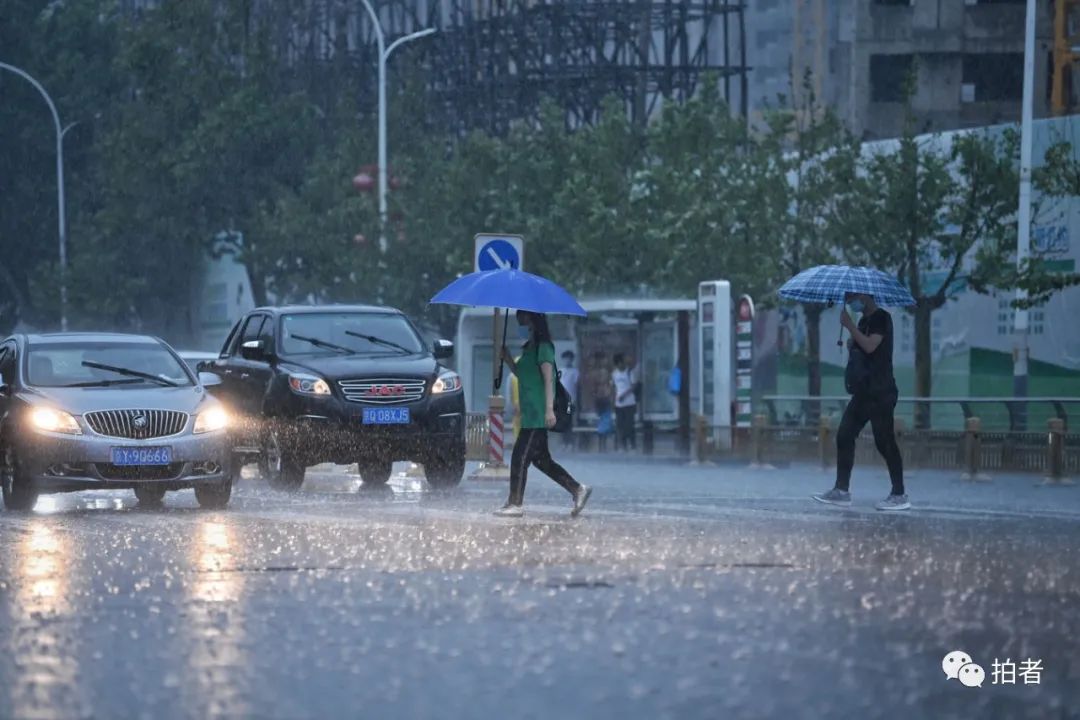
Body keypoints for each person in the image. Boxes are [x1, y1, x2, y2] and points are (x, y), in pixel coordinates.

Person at [813, 292, 909, 511]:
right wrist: (851, 343)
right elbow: (863, 349)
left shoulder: (881, 318)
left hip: (881, 391)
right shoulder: (864, 320)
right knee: (845, 434)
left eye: (851, 298)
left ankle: (899, 493)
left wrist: (849, 327)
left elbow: (871, 346)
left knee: (884, 441)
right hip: (863, 392)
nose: (849, 303)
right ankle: (841, 489)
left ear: (864, 296)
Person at [495, 310, 592, 518]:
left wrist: (549, 410)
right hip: (529, 413)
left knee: (519, 456)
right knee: (542, 461)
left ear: (532, 320)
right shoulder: (529, 348)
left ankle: (515, 503)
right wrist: (508, 359)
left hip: (539, 413)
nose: (519, 324)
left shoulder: (544, 347)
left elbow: (548, 380)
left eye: (522, 319)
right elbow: (523, 375)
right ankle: (577, 489)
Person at [611, 353, 637, 451]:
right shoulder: (614, 374)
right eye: (618, 364)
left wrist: (624, 395)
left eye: (621, 363)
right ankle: (623, 445)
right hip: (619, 404)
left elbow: (633, 386)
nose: (620, 366)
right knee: (620, 425)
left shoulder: (630, 372)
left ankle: (632, 444)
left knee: (629, 425)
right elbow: (614, 387)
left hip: (629, 403)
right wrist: (614, 400)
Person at [558, 350, 580, 448]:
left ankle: (570, 443)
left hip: (570, 401)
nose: (567, 360)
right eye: (565, 358)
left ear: (572, 360)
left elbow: (577, 386)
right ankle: (563, 443)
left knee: (569, 422)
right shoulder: (560, 371)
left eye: (569, 358)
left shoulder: (575, 372)